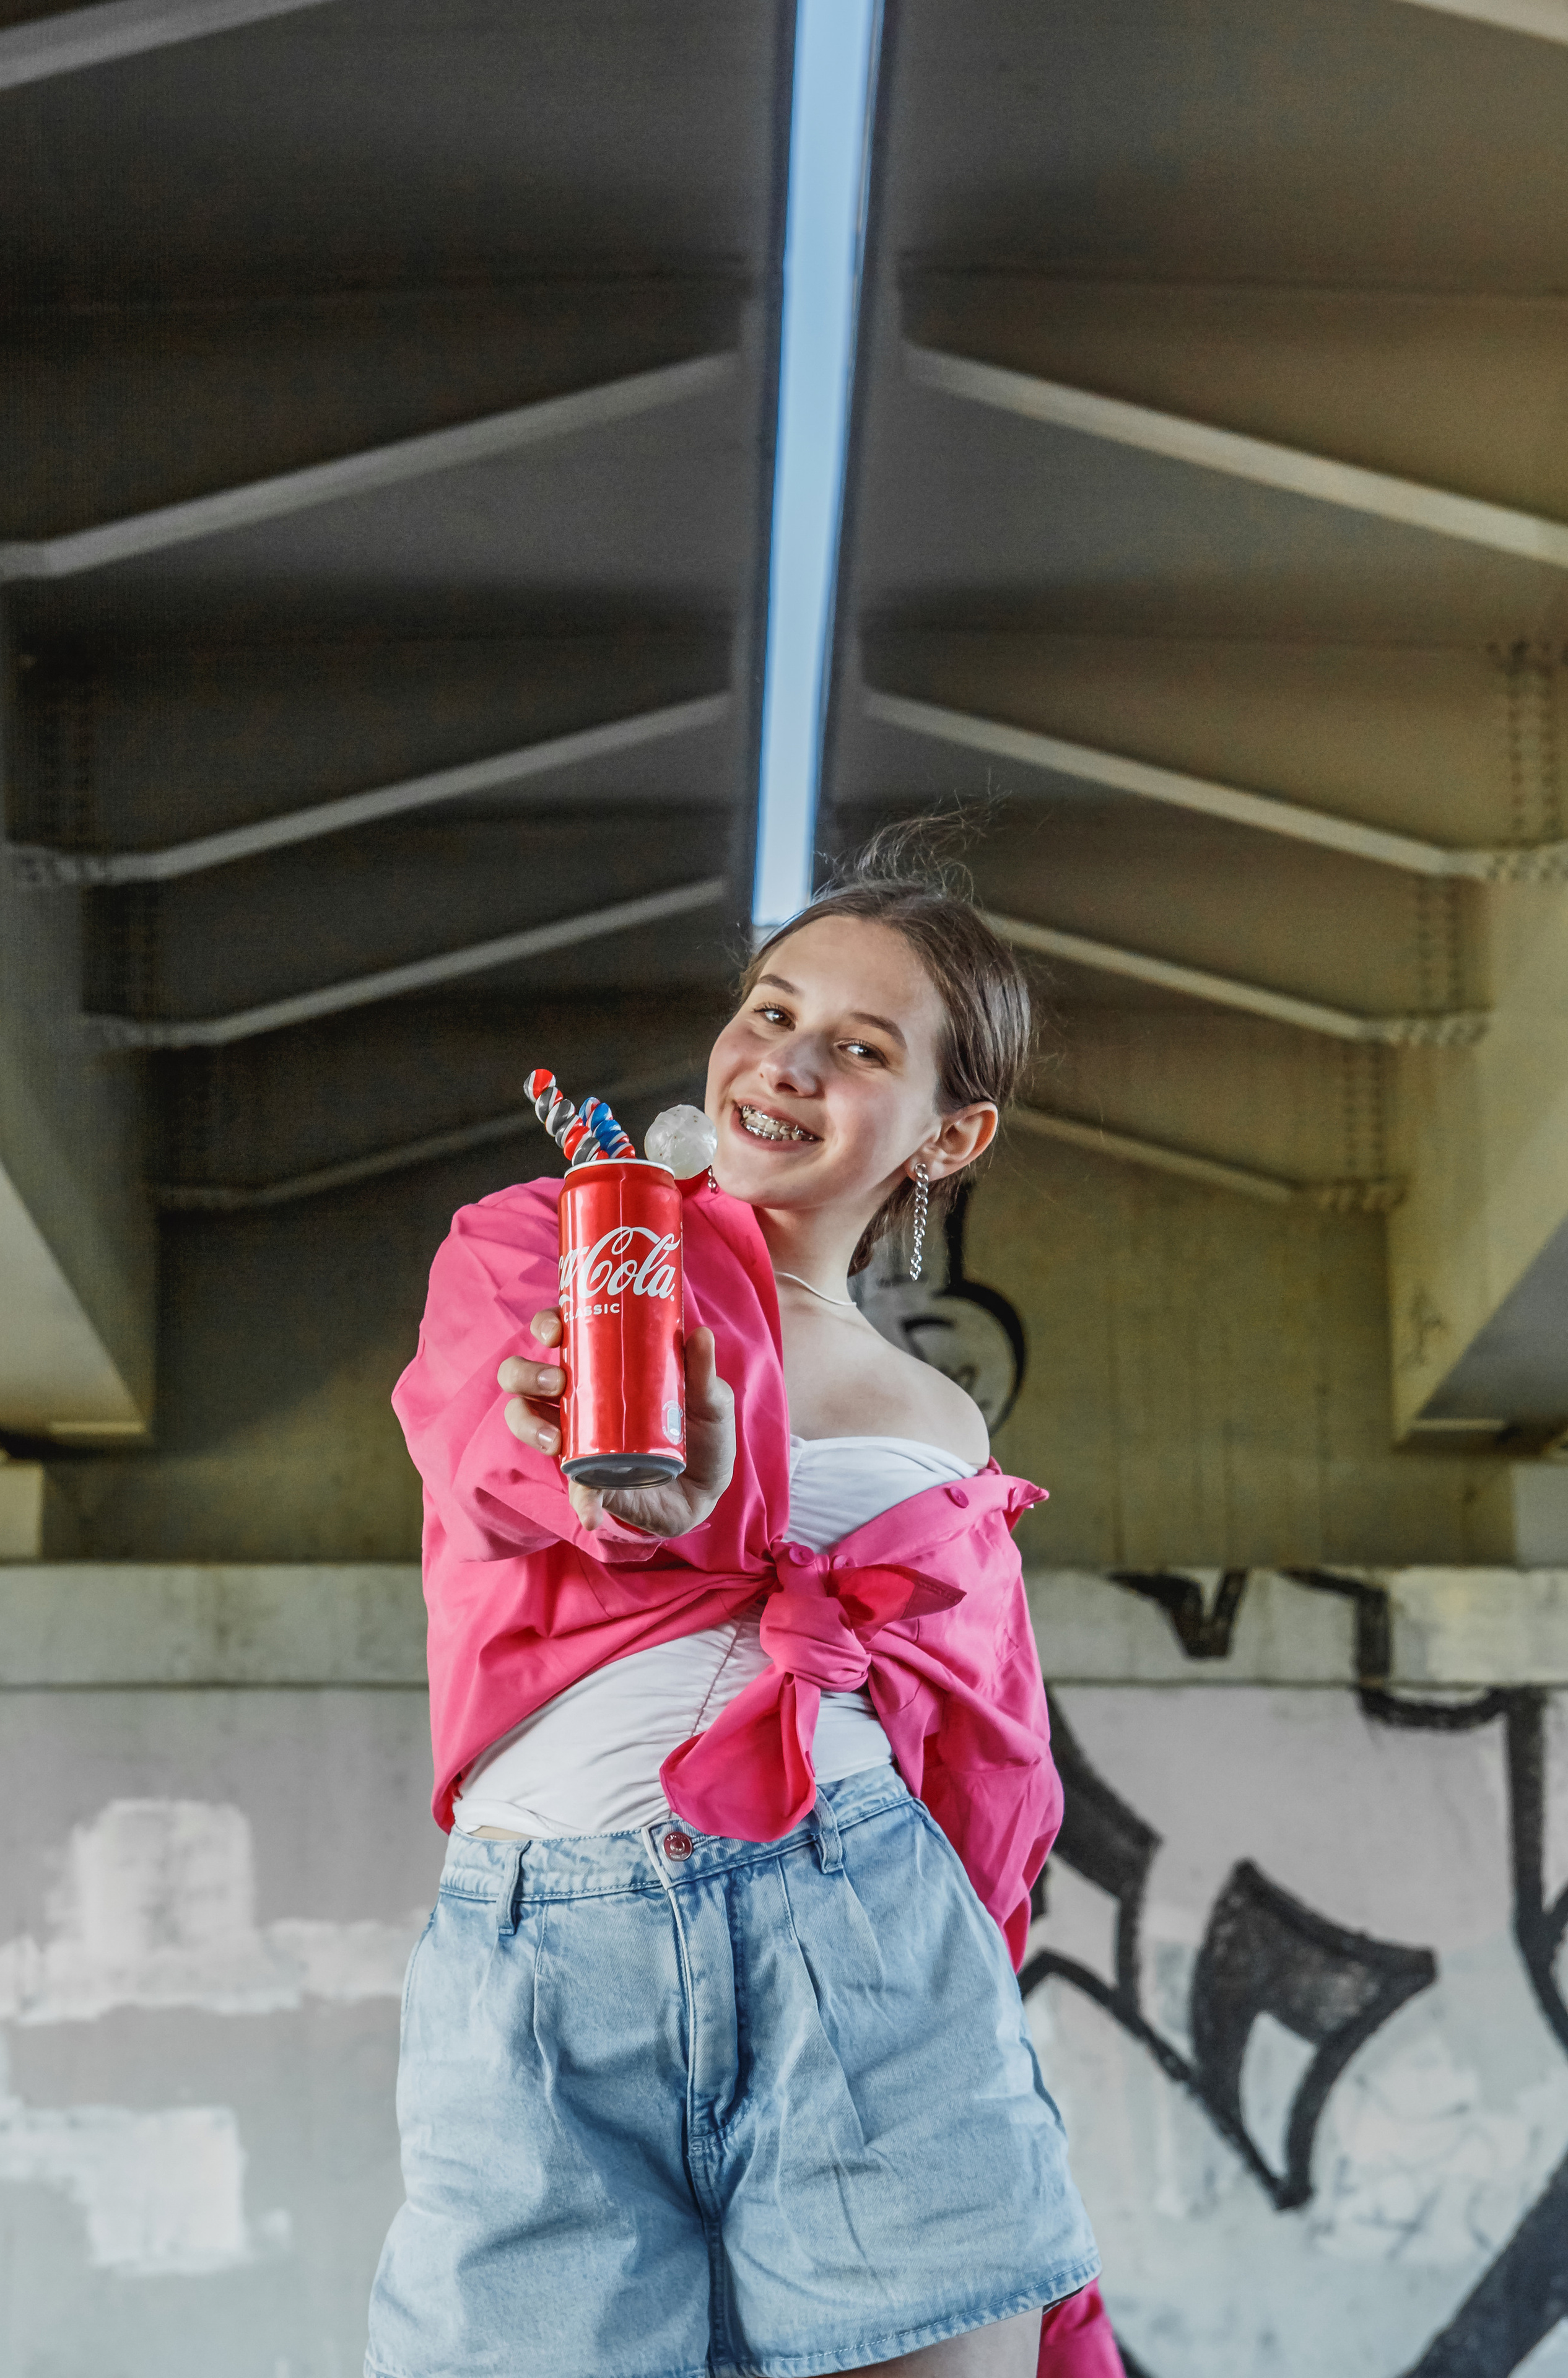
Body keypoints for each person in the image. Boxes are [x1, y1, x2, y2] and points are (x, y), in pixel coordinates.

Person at [368, 831, 1123, 2378]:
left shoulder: (946, 1426)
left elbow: (988, 1765)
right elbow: (487, 1440)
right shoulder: (564, 1246)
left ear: (947, 1133)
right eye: (770, 1013)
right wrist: (615, 1478)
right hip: (541, 1962)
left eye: (857, 1048)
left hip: (869, 1940)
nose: (783, 1064)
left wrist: (982, 2037)